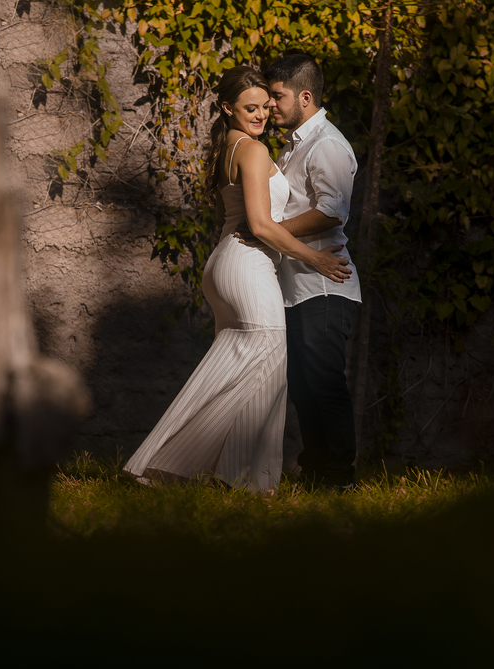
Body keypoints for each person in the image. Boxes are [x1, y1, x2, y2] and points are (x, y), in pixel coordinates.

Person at [123, 66, 351, 493]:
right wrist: (316, 260)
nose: (262, 115)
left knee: (249, 367)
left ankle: (244, 478)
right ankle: (170, 463)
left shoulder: (229, 146)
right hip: (247, 263)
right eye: (251, 108)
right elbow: (262, 226)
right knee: (264, 362)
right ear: (228, 108)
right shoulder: (253, 150)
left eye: (266, 107)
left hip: (229, 263)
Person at [265, 54, 362, 489]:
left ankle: (340, 477)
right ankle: (316, 471)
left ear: (305, 96)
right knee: (303, 386)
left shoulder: (326, 142)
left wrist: (271, 232)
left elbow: (331, 211)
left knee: (323, 384)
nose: (271, 105)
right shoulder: (297, 143)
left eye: (277, 96)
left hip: (325, 285)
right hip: (296, 286)